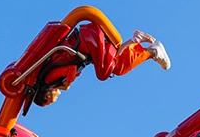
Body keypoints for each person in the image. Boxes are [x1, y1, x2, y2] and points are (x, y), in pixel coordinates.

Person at [31, 26, 170, 107]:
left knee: (109, 71)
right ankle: (135, 41)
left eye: (49, 102)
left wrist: (66, 85)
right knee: (117, 64)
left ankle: (152, 51)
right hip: (87, 44)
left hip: (87, 41)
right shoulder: (50, 80)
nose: (54, 101)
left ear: (46, 96)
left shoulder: (49, 80)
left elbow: (70, 69)